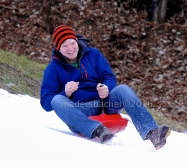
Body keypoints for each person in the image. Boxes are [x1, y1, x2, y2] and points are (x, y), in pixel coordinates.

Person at [40, 25, 171, 150]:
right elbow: (46, 102)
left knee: (123, 89)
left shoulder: (93, 55)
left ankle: (152, 132)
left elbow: (109, 76)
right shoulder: (52, 69)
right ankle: (97, 130)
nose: (70, 48)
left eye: (72, 43)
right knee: (57, 100)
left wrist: (106, 87)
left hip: (103, 104)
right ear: (59, 49)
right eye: (64, 46)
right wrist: (65, 93)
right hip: (79, 112)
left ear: (76, 40)